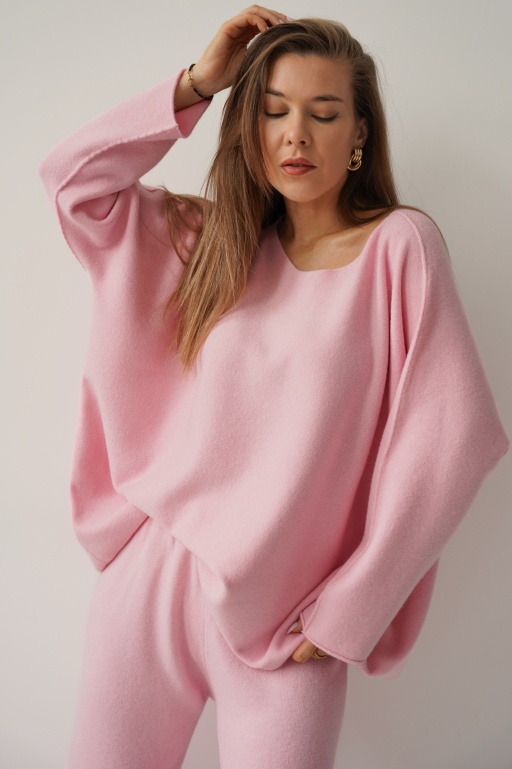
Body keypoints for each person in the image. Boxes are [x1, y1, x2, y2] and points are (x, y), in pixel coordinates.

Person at [39, 6, 509, 769]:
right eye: (274, 110)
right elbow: (71, 184)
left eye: (323, 113)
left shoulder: (399, 248)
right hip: (153, 579)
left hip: (289, 619)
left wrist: (352, 608)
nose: (296, 135)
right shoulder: (211, 242)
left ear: (358, 134)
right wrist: (198, 84)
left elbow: (454, 441)